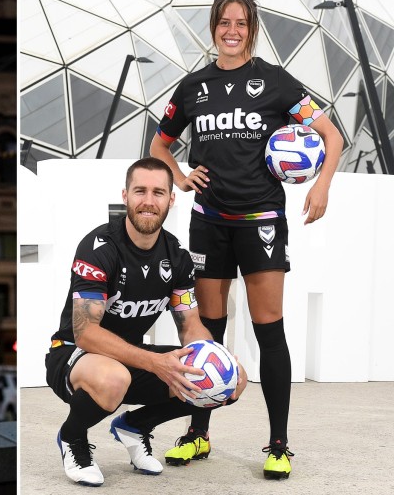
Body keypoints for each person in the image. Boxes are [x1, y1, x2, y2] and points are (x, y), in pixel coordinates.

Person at [149, 0, 343, 480]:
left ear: (251, 30)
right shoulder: (193, 86)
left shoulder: (275, 82)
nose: (231, 30)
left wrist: (321, 186)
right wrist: (178, 174)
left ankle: (278, 443)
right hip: (208, 222)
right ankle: (197, 434)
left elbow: (332, 136)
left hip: (260, 223)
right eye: (223, 22)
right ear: (213, 27)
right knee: (206, 331)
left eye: (241, 23)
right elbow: (159, 142)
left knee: (268, 329)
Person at [47, 157, 247, 487]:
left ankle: (135, 425)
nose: (148, 201)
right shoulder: (100, 248)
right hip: (72, 355)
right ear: (125, 196)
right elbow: (85, 333)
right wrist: (155, 363)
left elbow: (189, 324)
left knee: (231, 380)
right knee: (114, 378)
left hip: (131, 358)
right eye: (140, 191)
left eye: (158, 192)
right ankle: (72, 437)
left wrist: (214, 356)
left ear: (171, 199)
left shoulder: (177, 256)